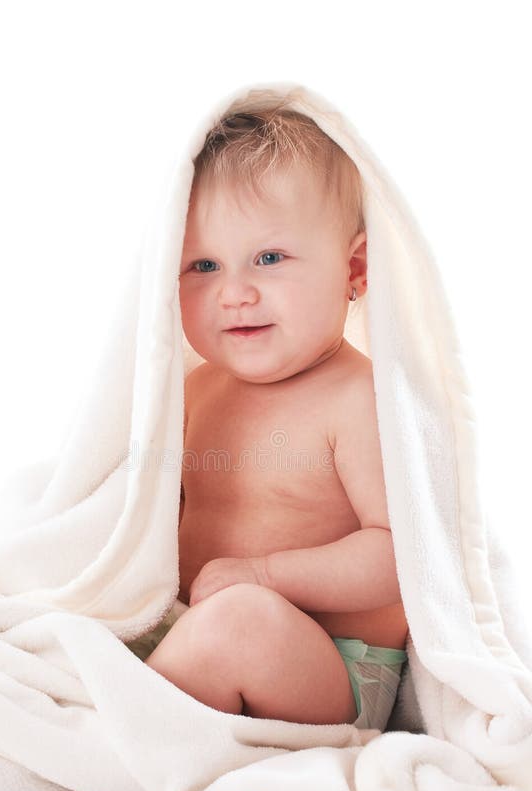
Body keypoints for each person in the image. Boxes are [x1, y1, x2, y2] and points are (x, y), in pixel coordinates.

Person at [143, 106, 408, 731]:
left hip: (334, 670)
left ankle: (129, 730)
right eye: (203, 266)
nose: (235, 292)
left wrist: (264, 577)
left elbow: (399, 554)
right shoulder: (199, 390)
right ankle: (139, 696)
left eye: (269, 258)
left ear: (355, 270)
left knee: (241, 621)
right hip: (195, 632)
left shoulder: (358, 400)